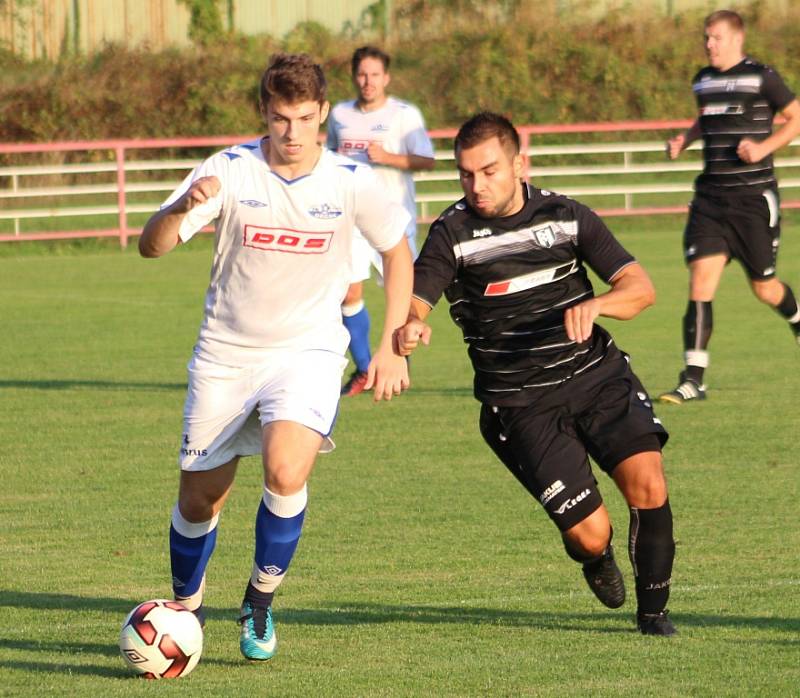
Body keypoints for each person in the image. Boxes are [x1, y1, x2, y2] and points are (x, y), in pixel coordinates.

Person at [138, 53, 413, 662]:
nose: (292, 132)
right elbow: (149, 246)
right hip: (226, 354)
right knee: (198, 499)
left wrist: (392, 344)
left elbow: (397, 253)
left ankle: (260, 601)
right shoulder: (230, 170)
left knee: (286, 471)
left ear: (322, 115)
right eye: (281, 117)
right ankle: (186, 606)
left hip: (308, 352)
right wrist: (182, 208)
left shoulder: (348, 181)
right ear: (265, 112)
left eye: (305, 118)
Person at [396, 112, 677, 636]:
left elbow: (641, 289)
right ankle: (596, 558)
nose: (476, 186)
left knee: (648, 482)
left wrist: (599, 306)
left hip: (597, 377)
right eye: (465, 174)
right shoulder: (451, 234)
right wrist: (408, 329)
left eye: (489, 171)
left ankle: (655, 618)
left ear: (519, 164)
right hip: (522, 405)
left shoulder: (566, 216)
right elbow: (413, 303)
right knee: (591, 535)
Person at [659, 9, 800, 404]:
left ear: (736, 39)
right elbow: (705, 119)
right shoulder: (702, 80)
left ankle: (798, 320)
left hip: (753, 201)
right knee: (700, 283)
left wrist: (763, 147)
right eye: (705, 37)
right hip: (710, 200)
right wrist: (683, 141)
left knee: (764, 288)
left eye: (715, 37)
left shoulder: (763, 77)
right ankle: (693, 379)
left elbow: (795, 117)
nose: (708, 44)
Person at [326, 45, 435, 396]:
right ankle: (362, 368)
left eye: (374, 74)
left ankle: (398, 361)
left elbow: (426, 161)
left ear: (386, 77)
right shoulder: (340, 114)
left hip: (393, 218)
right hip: (351, 219)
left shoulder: (404, 114)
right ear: (353, 76)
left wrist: (388, 157)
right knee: (348, 291)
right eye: (361, 74)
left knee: (401, 296)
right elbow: (328, 156)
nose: (367, 81)